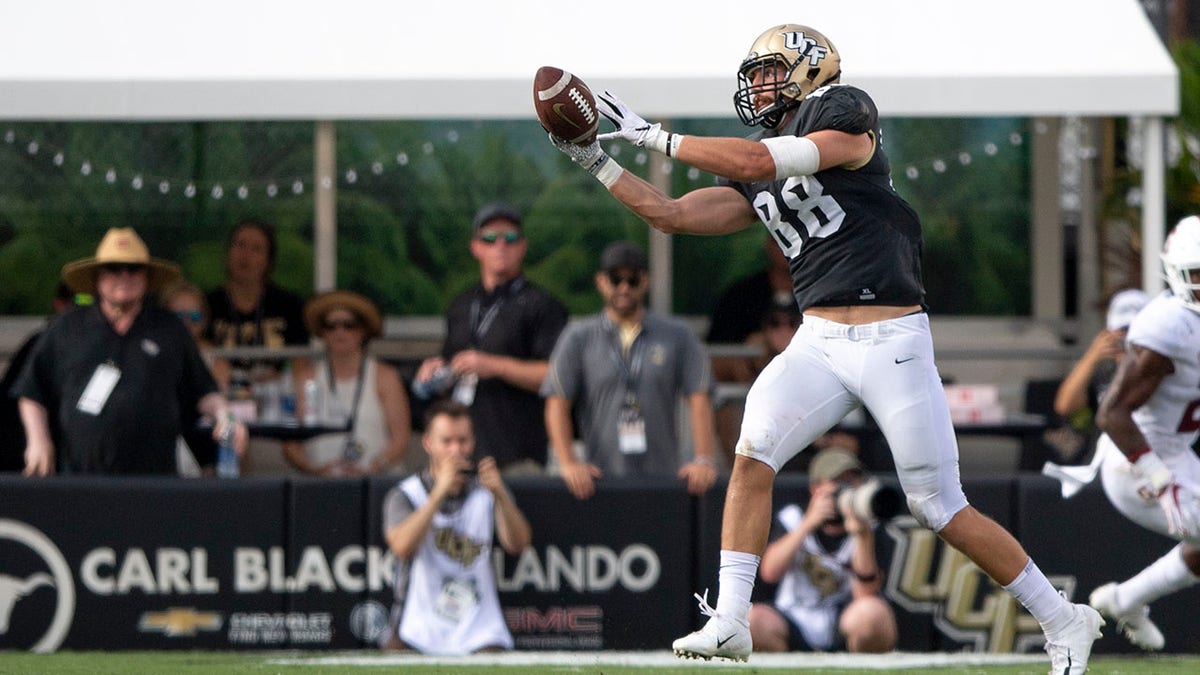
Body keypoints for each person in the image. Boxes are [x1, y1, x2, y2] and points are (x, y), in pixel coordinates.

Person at [548, 23, 1101, 670]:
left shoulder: (843, 110)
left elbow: (762, 163)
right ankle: (731, 619)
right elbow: (670, 215)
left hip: (889, 332)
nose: (757, 85)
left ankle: (1064, 618)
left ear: (812, 69)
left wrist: (654, 135)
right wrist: (596, 160)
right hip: (820, 339)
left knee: (938, 504)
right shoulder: (759, 155)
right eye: (752, 75)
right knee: (752, 451)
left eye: (768, 70)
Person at [12, 227, 246, 475]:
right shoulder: (67, 327)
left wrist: (226, 415)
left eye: (133, 268)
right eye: (114, 268)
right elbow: (31, 392)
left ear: (146, 277)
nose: (124, 275)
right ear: (98, 276)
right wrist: (38, 441)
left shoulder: (169, 328)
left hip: (155, 481)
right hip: (82, 478)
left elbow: (204, 391)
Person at [1083, 216, 1200, 651]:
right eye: (1197, 275)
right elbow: (1111, 414)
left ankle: (1126, 599)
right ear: (1176, 273)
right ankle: (1126, 599)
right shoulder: (1169, 326)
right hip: (1135, 460)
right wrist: (1153, 471)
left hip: (1177, 453)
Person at [541, 240, 719, 500]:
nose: (624, 288)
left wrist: (703, 459)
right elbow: (556, 400)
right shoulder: (578, 337)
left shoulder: (676, 335)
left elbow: (700, 396)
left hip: (665, 479)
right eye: (615, 279)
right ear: (601, 282)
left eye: (632, 280)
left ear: (645, 282)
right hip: (599, 482)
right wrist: (568, 462)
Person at [412, 202, 568, 475]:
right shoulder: (461, 305)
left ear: (522, 246)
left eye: (509, 238)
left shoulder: (542, 305)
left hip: (516, 454)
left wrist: (494, 366)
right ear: (476, 247)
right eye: (489, 238)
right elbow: (452, 365)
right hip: (462, 456)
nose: (500, 245)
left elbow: (557, 377)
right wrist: (435, 373)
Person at [379, 400, 532, 654]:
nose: (456, 450)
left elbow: (518, 544)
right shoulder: (406, 493)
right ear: (428, 443)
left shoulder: (487, 490)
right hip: (417, 627)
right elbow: (402, 546)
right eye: (446, 441)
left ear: (472, 442)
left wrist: (501, 496)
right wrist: (439, 492)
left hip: (479, 627)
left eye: (463, 441)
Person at [748, 447, 898, 653]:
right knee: (753, 620)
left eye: (852, 481)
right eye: (838, 481)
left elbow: (866, 594)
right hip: (794, 615)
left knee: (874, 615)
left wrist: (861, 535)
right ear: (816, 489)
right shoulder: (793, 518)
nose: (845, 489)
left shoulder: (868, 525)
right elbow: (770, 572)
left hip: (844, 618)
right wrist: (807, 525)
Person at [204, 219, 309, 474]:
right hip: (224, 405)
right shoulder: (208, 304)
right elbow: (202, 357)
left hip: (274, 405)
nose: (246, 255)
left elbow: (300, 365)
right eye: (240, 245)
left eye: (256, 248)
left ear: (268, 261)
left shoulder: (288, 305)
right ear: (228, 253)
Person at [282, 290, 412, 476]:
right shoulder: (306, 379)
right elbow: (290, 443)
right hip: (319, 485)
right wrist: (314, 470)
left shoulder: (385, 377)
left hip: (375, 483)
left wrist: (373, 467)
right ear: (322, 333)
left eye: (349, 325)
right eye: (330, 325)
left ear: (363, 331)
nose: (339, 332)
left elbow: (401, 439)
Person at [1053, 288, 1151, 447]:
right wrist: (1091, 357)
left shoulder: (1163, 368)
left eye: (1135, 329)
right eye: (1123, 330)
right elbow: (1065, 406)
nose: (1128, 337)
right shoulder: (1103, 373)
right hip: (1107, 459)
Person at [1, 282, 77, 473]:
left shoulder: (114, 344)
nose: (85, 309)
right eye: (79, 300)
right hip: (43, 464)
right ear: (60, 305)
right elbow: (18, 401)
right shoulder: (41, 346)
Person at [160, 278, 222, 476]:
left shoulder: (216, 358)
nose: (186, 323)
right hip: (161, 447)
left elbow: (216, 401)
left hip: (204, 444)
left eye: (194, 316)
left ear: (205, 320)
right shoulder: (151, 352)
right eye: (178, 316)